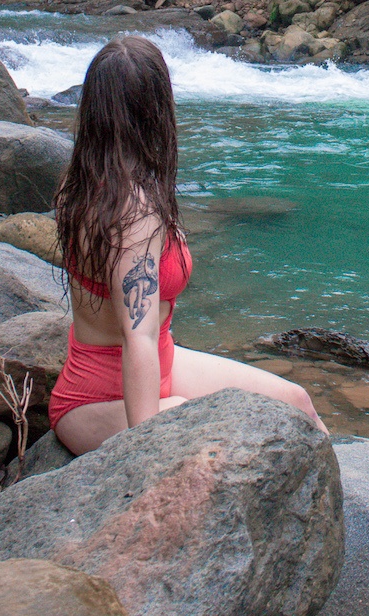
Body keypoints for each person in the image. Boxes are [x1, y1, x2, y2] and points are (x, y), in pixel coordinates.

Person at [49, 35, 327, 454]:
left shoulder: (88, 179)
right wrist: (148, 441)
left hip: (164, 361)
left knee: (297, 404)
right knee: (232, 433)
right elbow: (136, 338)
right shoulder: (133, 211)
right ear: (155, 109)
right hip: (101, 398)